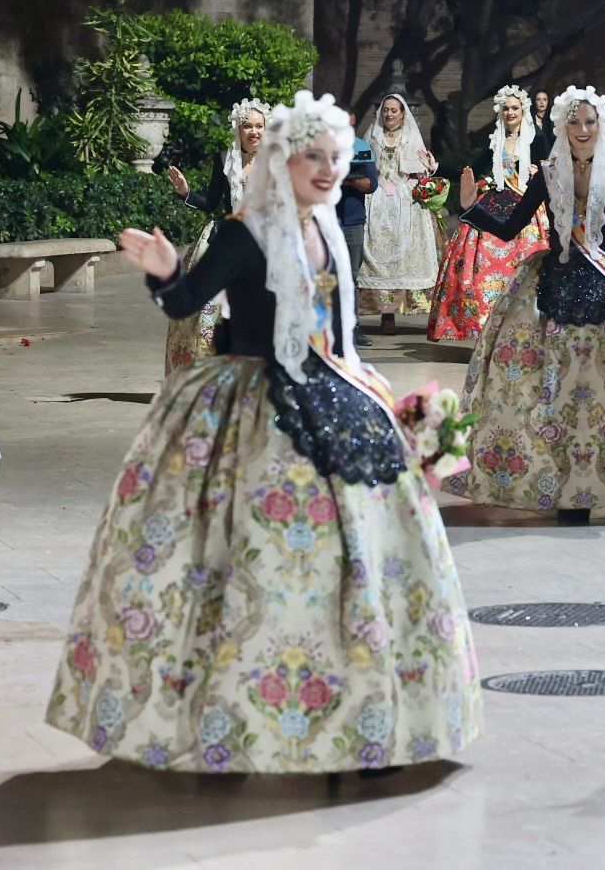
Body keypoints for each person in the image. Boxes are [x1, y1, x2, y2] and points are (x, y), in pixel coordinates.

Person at [46, 91, 482, 773]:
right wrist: (164, 274)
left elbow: (339, 334)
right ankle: (229, 707)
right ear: (281, 158)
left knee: (361, 550)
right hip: (250, 403)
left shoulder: (331, 229)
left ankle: (363, 703)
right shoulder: (242, 232)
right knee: (241, 553)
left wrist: (382, 396)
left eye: (336, 158)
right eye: (314, 156)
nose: (329, 169)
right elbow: (187, 304)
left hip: (332, 390)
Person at [445, 86, 605, 518]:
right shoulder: (548, 172)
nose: (583, 129)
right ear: (563, 126)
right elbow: (511, 228)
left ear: (601, 126)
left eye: (590, 122)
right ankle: (549, 479)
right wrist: (470, 208)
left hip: (604, 282)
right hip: (552, 282)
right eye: (575, 122)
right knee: (537, 382)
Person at [426, 85, 550, 342]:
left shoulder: (537, 139)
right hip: (494, 204)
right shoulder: (495, 140)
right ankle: (481, 326)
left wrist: (541, 172)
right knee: (476, 261)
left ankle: (524, 328)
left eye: (515, 108)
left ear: (523, 110)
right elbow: (470, 168)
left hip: (527, 208)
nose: (510, 112)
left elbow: (553, 169)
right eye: (506, 108)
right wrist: (438, 167)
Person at [164, 99, 266, 372]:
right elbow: (210, 203)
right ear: (238, 129)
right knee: (205, 311)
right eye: (247, 126)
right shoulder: (225, 160)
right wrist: (186, 193)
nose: (254, 132)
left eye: (259, 126)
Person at [359, 94, 440, 334]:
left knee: (404, 254)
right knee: (375, 253)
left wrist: (431, 167)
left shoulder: (410, 138)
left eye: (394, 111)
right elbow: (363, 165)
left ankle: (399, 310)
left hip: (404, 198)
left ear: (403, 114)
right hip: (376, 199)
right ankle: (384, 313)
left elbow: (423, 173)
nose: (389, 115)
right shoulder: (372, 135)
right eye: (386, 110)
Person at [338, 110, 377, 347]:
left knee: (351, 275)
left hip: (352, 220)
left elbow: (370, 184)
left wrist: (349, 179)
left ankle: (352, 327)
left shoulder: (362, 147)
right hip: (323, 220)